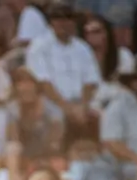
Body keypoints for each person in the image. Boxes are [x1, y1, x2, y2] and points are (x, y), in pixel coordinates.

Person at [25, 1, 102, 136]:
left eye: (68, 17)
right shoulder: (38, 46)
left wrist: (82, 107)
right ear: (51, 22)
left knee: (104, 116)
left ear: (74, 21)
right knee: (56, 118)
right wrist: (67, 108)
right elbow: (43, 83)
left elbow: (91, 82)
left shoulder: (82, 47)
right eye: (58, 18)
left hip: (82, 102)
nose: (63, 22)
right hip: (51, 102)